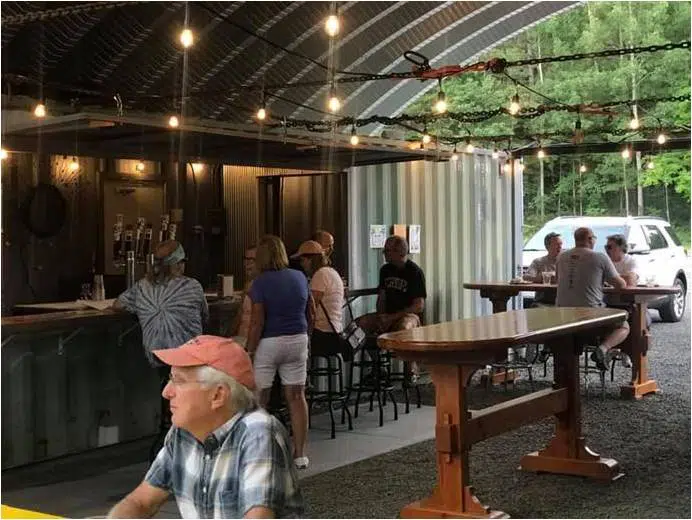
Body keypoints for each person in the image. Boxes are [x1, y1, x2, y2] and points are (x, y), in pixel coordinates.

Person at [107, 335, 304, 519]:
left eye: (178, 381)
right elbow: (141, 501)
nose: (166, 392)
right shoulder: (184, 433)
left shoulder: (258, 434)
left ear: (217, 395)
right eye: (170, 379)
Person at [113, 240, 208, 461]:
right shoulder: (192, 286)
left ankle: (172, 427)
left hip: (158, 357)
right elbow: (205, 316)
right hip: (188, 356)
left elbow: (117, 304)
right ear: (178, 265)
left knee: (172, 384)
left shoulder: (141, 288)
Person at [247, 235, 314, 470]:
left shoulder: (260, 283)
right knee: (296, 397)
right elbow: (311, 313)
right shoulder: (299, 277)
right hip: (298, 339)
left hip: (269, 343)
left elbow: (257, 321)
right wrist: (308, 338)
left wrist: (250, 349)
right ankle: (300, 454)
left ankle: (259, 454)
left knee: (260, 400)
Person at [556, 227, 629, 371]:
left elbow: (557, 279)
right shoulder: (599, 257)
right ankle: (602, 349)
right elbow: (621, 285)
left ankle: (568, 370)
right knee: (624, 325)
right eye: (594, 238)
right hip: (590, 315)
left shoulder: (561, 257)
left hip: (562, 315)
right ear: (590, 239)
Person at [357, 235, 426, 379]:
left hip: (407, 315)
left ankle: (410, 369)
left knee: (405, 327)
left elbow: (419, 306)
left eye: (387, 251)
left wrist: (392, 317)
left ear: (399, 252)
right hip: (387, 314)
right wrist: (381, 317)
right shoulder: (385, 270)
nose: (384, 254)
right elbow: (382, 297)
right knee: (360, 325)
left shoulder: (415, 272)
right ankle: (378, 366)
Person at [297, 240, 349, 359]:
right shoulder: (332, 272)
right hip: (335, 333)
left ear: (311, 259)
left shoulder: (320, 275)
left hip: (323, 336)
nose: (301, 265)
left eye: (302, 260)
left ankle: (298, 377)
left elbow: (311, 307)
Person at [230, 247, 258, 346]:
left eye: (252, 260)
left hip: (251, 342)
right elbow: (240, 313)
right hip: (240, 338)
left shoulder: (264, 285)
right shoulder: (248, 283)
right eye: (246, 259)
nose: (247, 263)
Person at [525, 232, 563, 305]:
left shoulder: (566, 262)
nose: (560, 247)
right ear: (547, 246)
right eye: (557, 244)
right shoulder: (538, 262)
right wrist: (548, 276)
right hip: (542, 302)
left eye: (561, 244)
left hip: (563, 303)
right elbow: (527, 277)